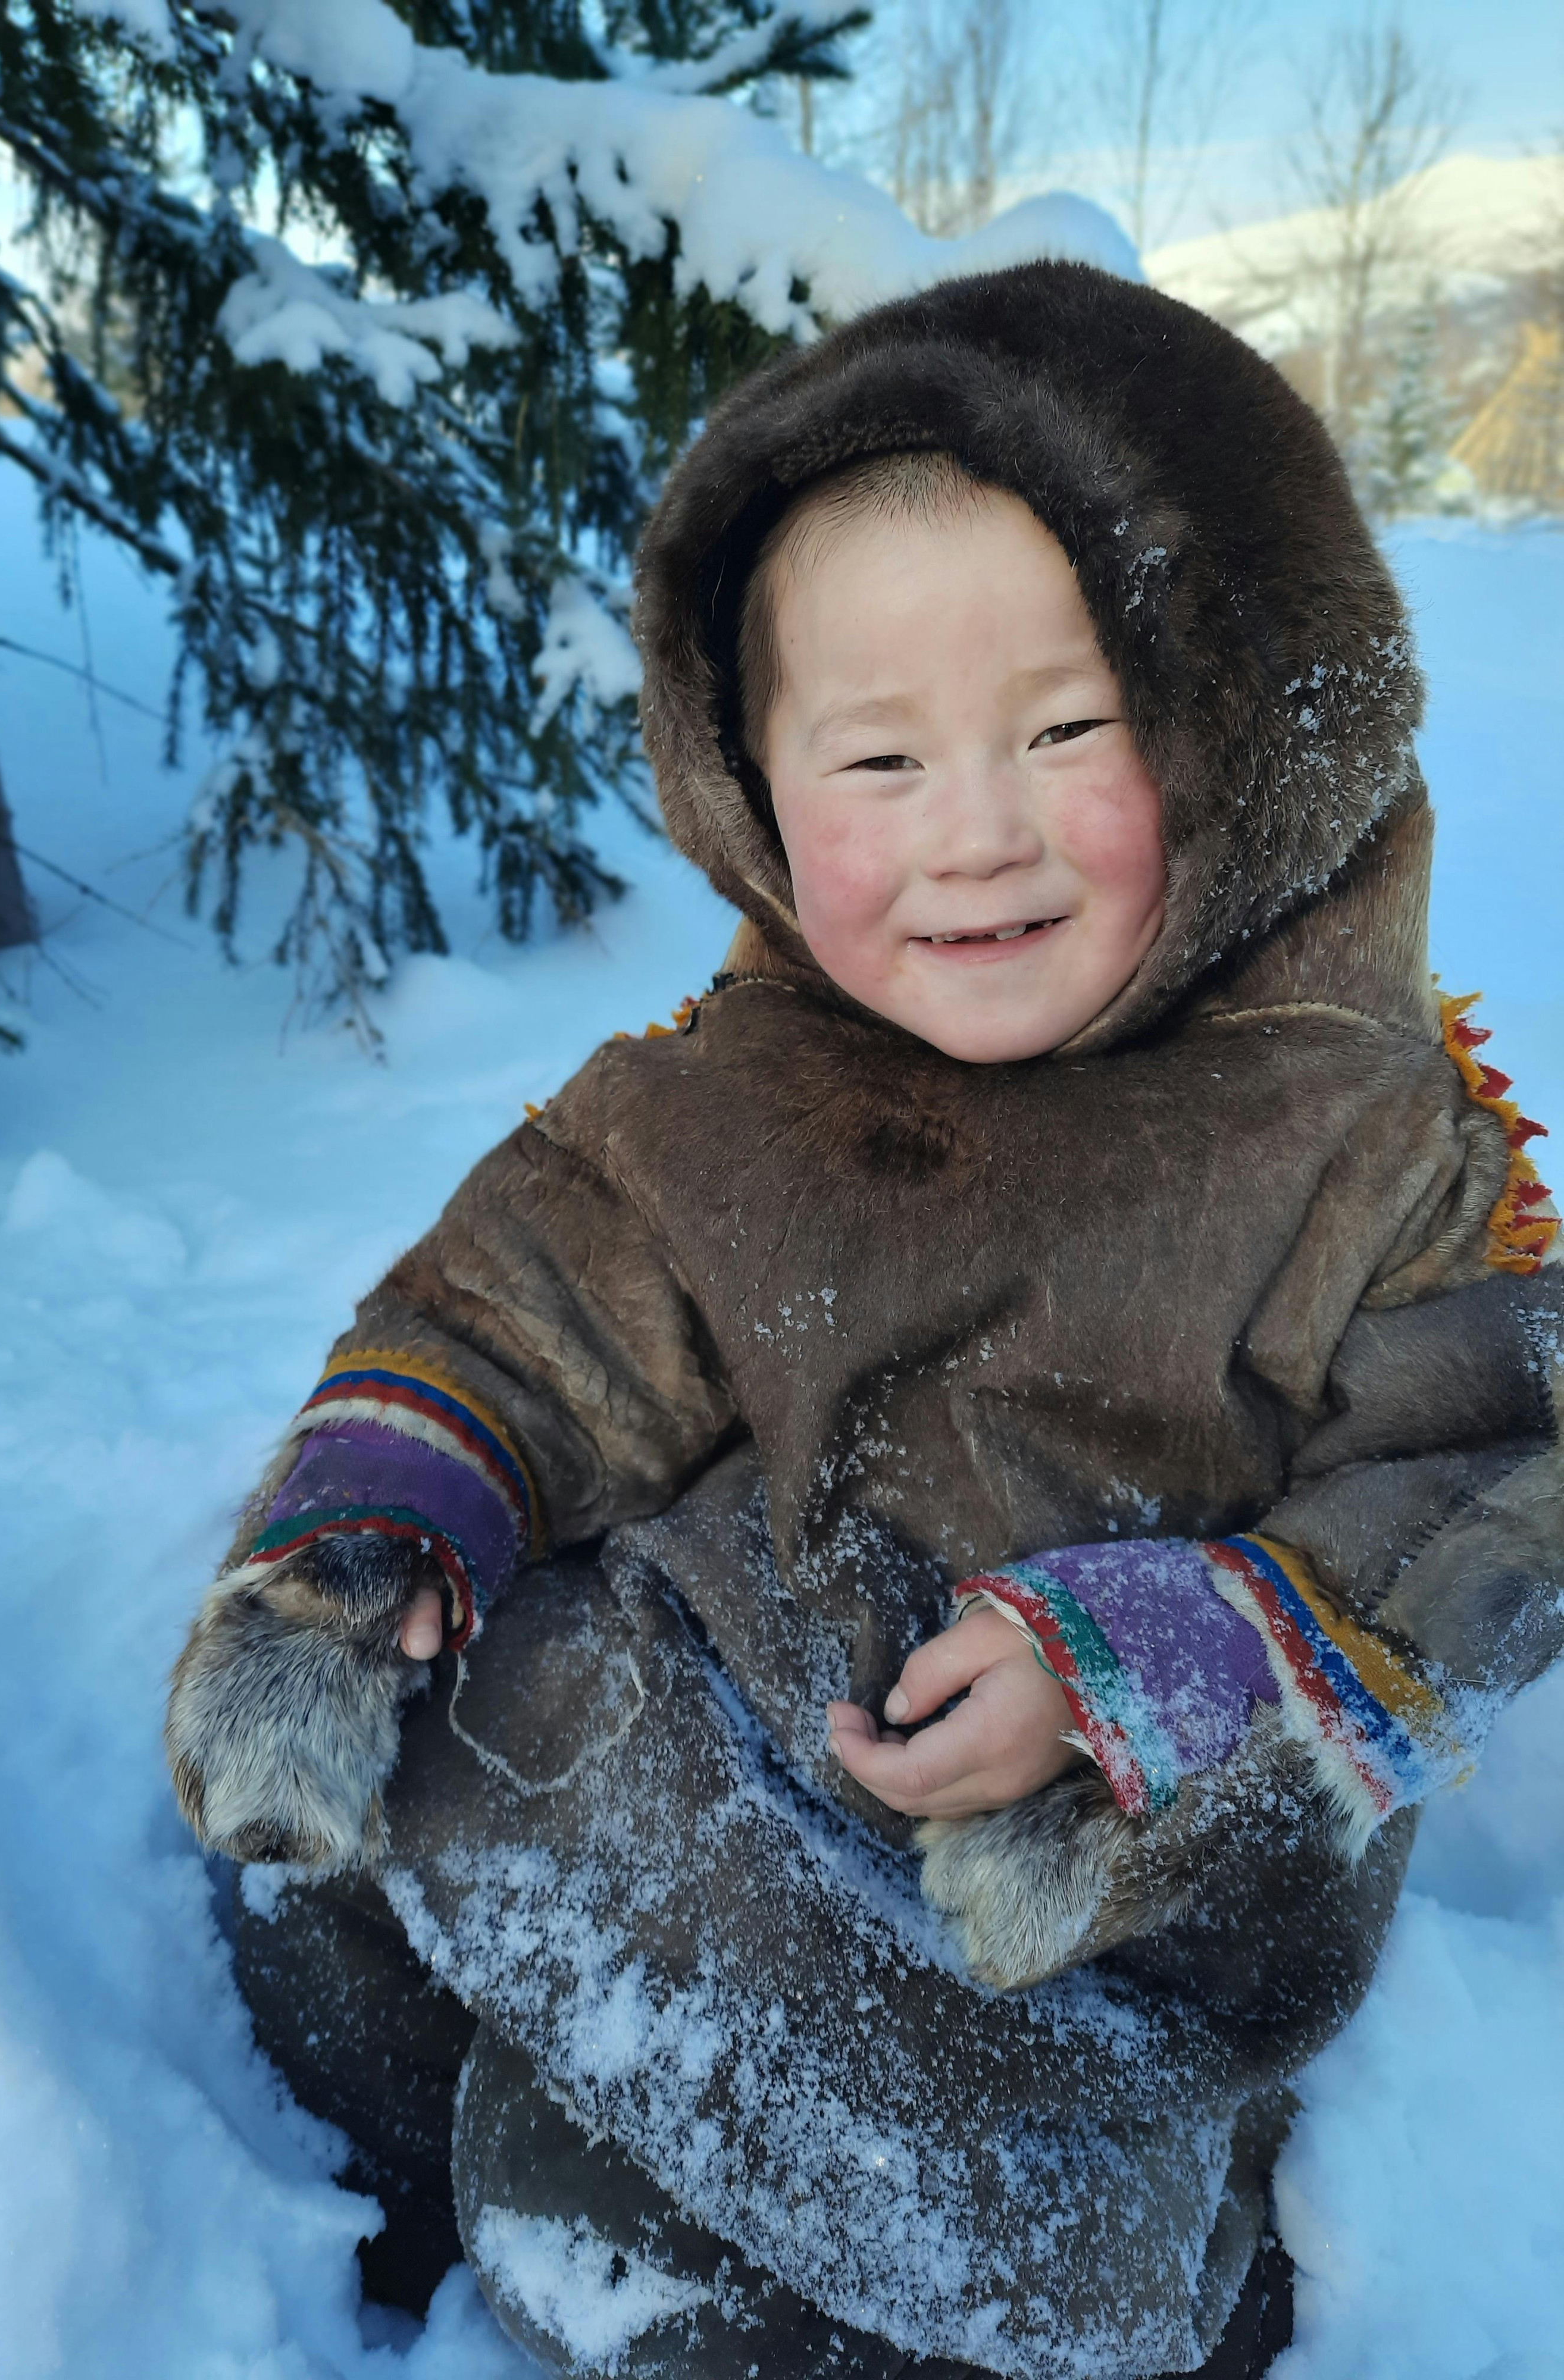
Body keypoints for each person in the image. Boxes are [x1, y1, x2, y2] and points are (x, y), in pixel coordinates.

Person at [165, 262, 1563, 2380]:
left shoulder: (1367, 1138)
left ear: (1257, 724)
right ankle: (402, 2197)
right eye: (878, 758)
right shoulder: (730, 1098)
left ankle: (1052, 2246)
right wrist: (379, 1522)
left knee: (662, 2225)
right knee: (338, 1852)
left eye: (1072, 730)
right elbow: (522, 1307)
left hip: (1077, 1933)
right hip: (727, 1779)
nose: (975, 834)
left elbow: (1490, 1462)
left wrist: (1153, 1678)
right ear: (750, 783)